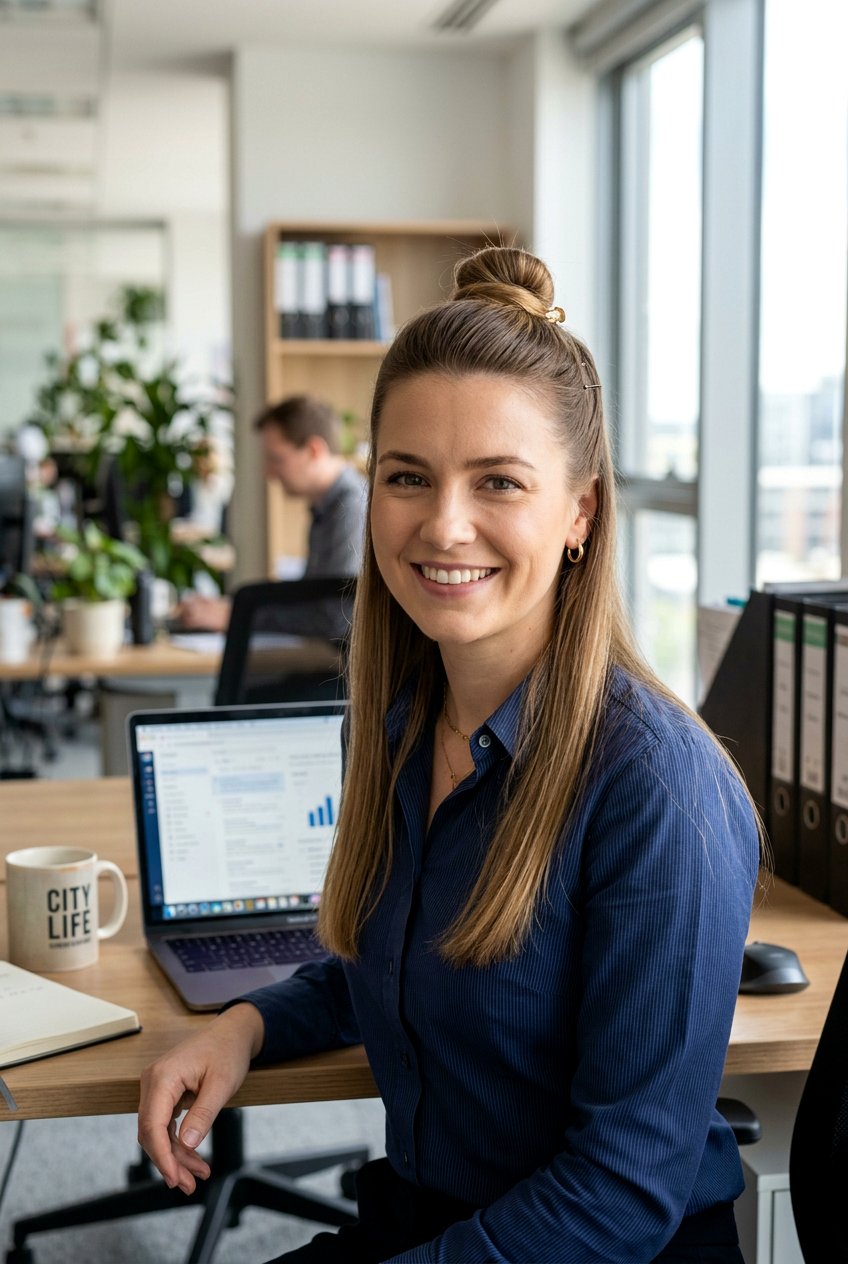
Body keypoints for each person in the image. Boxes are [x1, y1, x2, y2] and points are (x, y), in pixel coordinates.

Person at [138, 246, 761, 1263]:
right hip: (431, 1223)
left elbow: (620, 1188)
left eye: (498, 481)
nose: (443, 524)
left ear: (579, 513)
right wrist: (241, 1026)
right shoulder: (387, 725)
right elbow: (391, 964)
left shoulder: (656, 788)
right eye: (407, 477)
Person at [176, 394, 367, 631]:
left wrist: (237, 616)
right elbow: (311, 600)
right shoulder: (326, 507)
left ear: (313, 451)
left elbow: (335, 619)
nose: (269, 473)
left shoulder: (351, 508)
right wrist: (231, 607)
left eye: (276, 459)